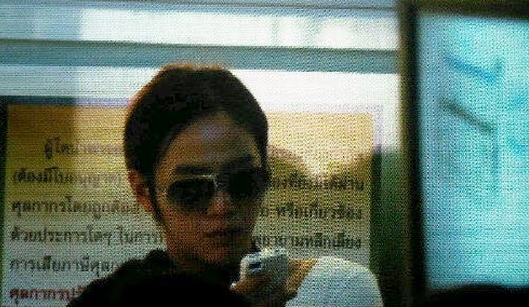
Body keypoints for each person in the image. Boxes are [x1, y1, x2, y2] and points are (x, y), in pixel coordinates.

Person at [69, 63, 383, 306]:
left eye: (244, 181)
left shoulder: (332, 290)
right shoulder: (111, 301)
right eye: (191, 190)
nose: (222, 205)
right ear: (143, 192)